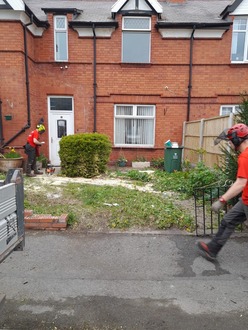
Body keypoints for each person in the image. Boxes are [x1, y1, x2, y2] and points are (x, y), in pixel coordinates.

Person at [197, 123, 248, 261]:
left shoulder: (245, 157)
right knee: (228, 220)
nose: (230, 144)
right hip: (245, 200)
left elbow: (241, 183)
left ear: (237, 140)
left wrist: (222, 200)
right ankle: (212, 249)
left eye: (231, 141)